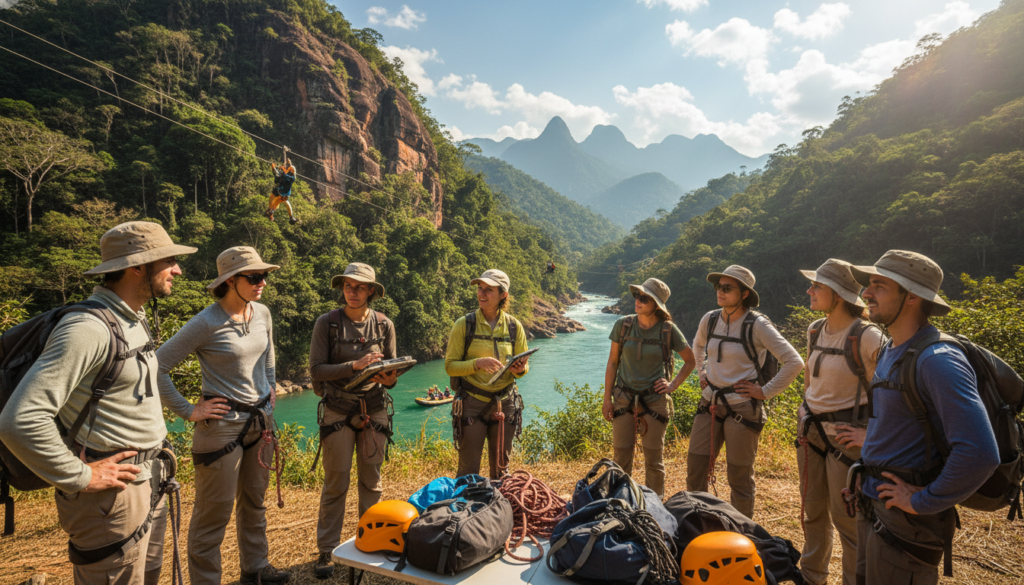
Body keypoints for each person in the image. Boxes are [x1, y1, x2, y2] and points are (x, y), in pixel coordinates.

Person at [0, 221, 196, 584]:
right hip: (112, 500)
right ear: (138, 266)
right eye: (169, 261)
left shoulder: (132, 319)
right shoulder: (87, 329)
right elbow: (20, 419)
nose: (178, 270)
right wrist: (81, 476)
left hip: (146, 481)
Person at [849, 250, 998, 584]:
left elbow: (980, 453)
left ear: (912, 296)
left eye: (879, 285)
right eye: (869, 284)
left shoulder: (938, 360)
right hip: (876, 505)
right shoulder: (891, 348)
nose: (866, 293)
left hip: (906, 524)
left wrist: (922, 501)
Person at [156, 246, 290, 585]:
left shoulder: (261, 313)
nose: (262, 283)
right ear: (230, 281)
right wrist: (188, 410)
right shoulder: (207, 322)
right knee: (212, 515)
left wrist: (271, 388)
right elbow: (156, 366)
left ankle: (255, 569)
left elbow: (268, 356)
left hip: (260, 424)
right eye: (255, 277)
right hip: (220, 431)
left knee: (254, 503)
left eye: (265, 276)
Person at [686, 265, 804, 518]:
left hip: (742, 407)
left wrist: (765, 391)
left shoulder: (757, 325)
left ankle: (742, 532)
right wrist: (702, 373)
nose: (720, 291)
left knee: (739, 477)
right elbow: (697, 346)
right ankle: (696, 525)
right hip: (710, 402)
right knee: (695, 468)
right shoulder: (711, 318)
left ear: (745, 294)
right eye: (719, 286)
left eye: (727, 288)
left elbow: (794, 361)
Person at [308, 262, 399, 578]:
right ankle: (326, 550)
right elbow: (317, 370)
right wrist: (356, 365)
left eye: (360, 287)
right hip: (337, 409)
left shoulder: (384, 325)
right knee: (336, 481)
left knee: (371, 481)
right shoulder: (328, 324)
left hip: (374, 408)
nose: (353, 291)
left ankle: (371, 540)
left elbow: (391, 376)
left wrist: (388, 377)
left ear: (371, 291)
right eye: (348, 286)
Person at [796, 259, 883, 585]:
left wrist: (871, 435)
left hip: (846, 443)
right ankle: (811, 577)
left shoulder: (867, 336)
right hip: (811, 435)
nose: (810, 290)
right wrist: (804, 409)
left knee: (848, 521)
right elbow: (810, 380)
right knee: (813, 513)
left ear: (839, 293)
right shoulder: (815, 329)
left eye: (817, 286)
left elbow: (891, 396)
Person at [602, 277, 696, 497]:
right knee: (621, 457)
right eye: (637, 296)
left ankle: (655, 507)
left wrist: (672, 385)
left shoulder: (668, 330)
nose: (638, 301)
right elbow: (613, 362)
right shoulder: (623, 325)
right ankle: (621, 502)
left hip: (655, 400)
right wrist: (607, 398)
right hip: (623, 398)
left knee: (654, 459)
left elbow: (690, 360)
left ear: (657, 305)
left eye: (644, 298)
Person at [445, 269, 530, 479]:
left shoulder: (513, 326)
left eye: (489, 290)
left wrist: (520, 370)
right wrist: (477, 364)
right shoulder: (464, 325)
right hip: (472, 402)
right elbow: (450, 366)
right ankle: (464, 509)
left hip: (505, 402)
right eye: (480, 288)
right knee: (468, 470)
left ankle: (498, 510)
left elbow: (524, 367)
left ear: (503, 295)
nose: (481, 294)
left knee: (502, 470)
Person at [264, 152, 298, 225]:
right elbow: (278, 175)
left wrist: (284, 170)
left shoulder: (291, 177)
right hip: (279, 190)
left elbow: (285, 176)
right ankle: (271, 212)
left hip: (283, 193)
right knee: (272, 199)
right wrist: (274, 168)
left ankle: (290, 217)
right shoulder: (284, 174)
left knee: (280, 201)